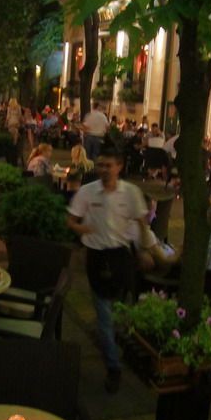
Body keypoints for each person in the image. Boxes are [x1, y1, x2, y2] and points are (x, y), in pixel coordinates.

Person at [68, 147, 150, 393]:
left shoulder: (131, 192)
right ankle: (114, 367)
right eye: (100, 165)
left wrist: (145, 250)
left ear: (119, 166)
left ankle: (125, 348)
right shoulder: (87, 191)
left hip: (122, 257)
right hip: (96, 258)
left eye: (109, 165)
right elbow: (71, 220)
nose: (103, 170)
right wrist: (83, 230)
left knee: (124, 311)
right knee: (104, 316)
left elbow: (142, 223)